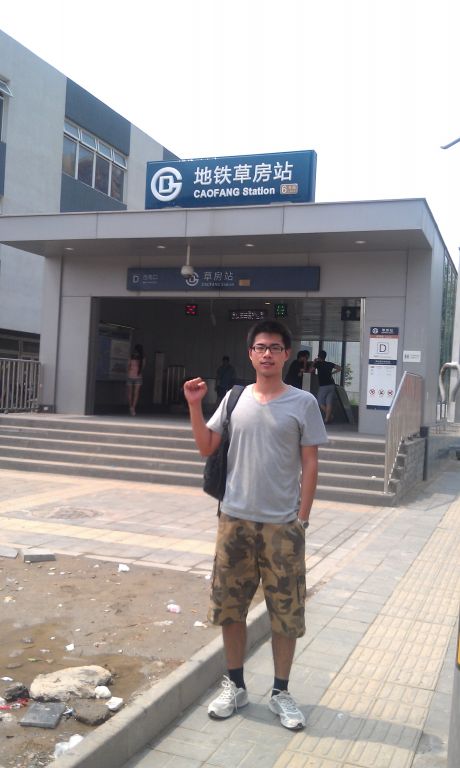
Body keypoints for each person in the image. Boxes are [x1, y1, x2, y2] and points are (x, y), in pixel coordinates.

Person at [183, 320, 327, 730]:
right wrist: (194, 405)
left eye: (275, 348)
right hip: (234, 521)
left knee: (286, 612)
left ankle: (281, 692)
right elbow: (206, 447)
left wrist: (302, 518)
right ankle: (235, 685)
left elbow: (310, 462)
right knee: (230, 608)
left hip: (282, 527)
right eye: (261, 347)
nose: (267, 354)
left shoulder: (303, 403)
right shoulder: (234, 399)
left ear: (286, 355)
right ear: (250, 354)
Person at [313, 349, 342, 424]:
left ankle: (330, 416)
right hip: (331, 385)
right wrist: (332, 373)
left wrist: (314, 362)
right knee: (329, 402)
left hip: (323, 386)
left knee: (319, 401)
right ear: (325, 357)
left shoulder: (318, 364)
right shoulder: (329, 364)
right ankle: (326, 419)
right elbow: (340, 368)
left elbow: (311, 370)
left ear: (319, 356)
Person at [126, 344, 145, 416]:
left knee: (130, 393)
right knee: (136, 393)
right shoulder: (142, 358)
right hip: (138, 377)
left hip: (130, 376)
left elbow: (128, 366)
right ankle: (133, 408)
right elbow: (142, 368)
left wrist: (128, 373)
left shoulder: (131, 356)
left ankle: (130, 407)